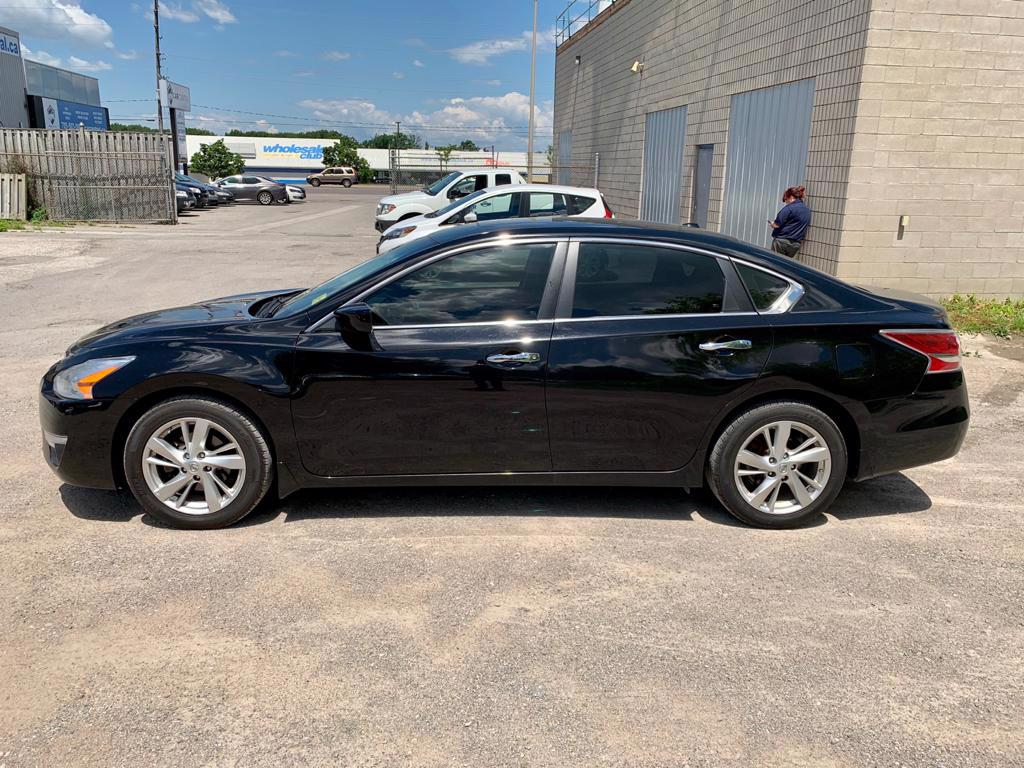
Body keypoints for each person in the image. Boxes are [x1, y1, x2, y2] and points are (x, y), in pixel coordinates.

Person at [767, 186, 811, 258]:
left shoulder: (789, 208)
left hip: (782, 242)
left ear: (791, 197)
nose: (786, 202)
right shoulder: (807, 210)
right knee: (785, 263)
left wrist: (772, 224)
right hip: (795, 244)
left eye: (786, 199)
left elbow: (777, 224)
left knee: (775, 261)